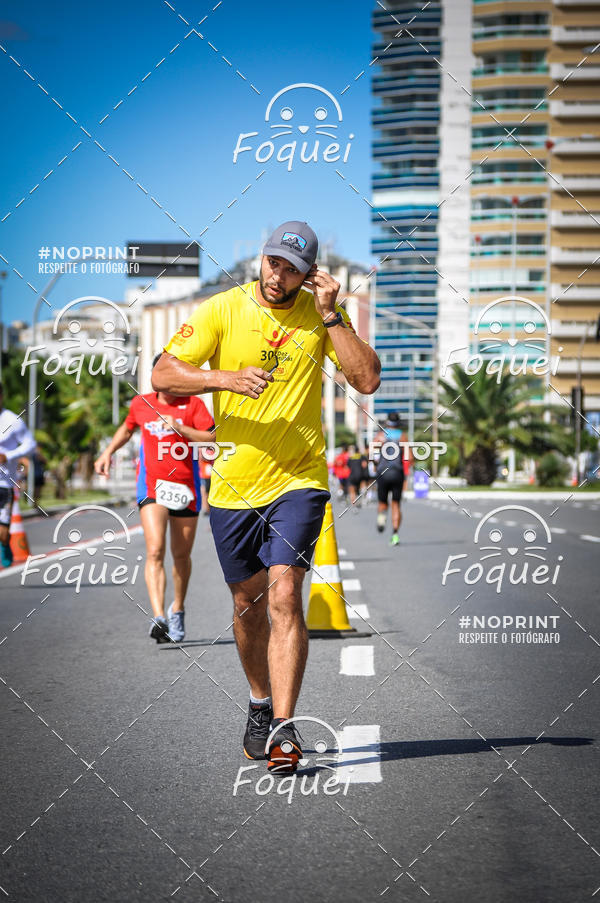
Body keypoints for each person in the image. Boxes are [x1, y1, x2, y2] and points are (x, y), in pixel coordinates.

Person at [153, 220, 380, 772]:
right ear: (262, 257)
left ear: (311, 274)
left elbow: (367, 379)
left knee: (283, 595)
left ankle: (283, 727)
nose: (280, 276)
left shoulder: (320, 314)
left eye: (293, 269)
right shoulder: (222, 309)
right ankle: (259, 702)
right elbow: (163, 373)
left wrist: (331, 313)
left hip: (299, 480)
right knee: (246, 604)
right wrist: (223, 379)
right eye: (274, 263)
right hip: (233, 482)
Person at [94, 358, 215, 642]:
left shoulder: (193, 404)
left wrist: (181, 429)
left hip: (186, 487)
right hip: (152, 487)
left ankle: (178, 609)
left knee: (181, 555)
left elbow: (211, 438)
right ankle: (159, 616)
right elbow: (127, 428)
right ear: (155, 376)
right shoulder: (141, 404)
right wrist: (108, 452)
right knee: (155, 550)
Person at [0, 383, 37, 567]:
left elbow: (30, 444)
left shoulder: (12, 421)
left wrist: (8, 455)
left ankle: (4, 543)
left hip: (4, 484)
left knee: (3, 532)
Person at [375, 412, 411, 546]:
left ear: (387, 422)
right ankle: (395, 535)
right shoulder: (403, 436)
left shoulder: (380, 435)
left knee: (382, 503)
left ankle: (381, 518)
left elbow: (371, 454)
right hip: (397, 473)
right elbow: (409, 458)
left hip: (383, 473)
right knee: (396, 504)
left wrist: (375, 466)